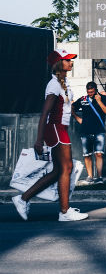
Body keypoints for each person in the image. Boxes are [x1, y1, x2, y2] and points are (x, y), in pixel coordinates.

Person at [12, 49, 88, 222]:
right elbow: (45, 113)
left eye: (71, 60)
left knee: (58, 171)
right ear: (59, 64)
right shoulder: (53, 85)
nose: (71, 62)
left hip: (60, 128)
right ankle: (64, 211)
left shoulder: (63, 83)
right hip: (55, 129)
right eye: (67, 60)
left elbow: (67, 108)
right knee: (67, 168)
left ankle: (23, 198)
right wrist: (39, 140)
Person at [71, 81, 106, 183]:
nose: (90, 93)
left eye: (92, 92)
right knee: (87, 155)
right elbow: (72, 106)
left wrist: (99, 101)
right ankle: (90, 176)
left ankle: (99, 177)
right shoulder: (83, 99)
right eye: (88, 92)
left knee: (99, 154)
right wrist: (77, 117)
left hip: (99, 130)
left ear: (96, 90)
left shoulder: (104, 98)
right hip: (85, 131)